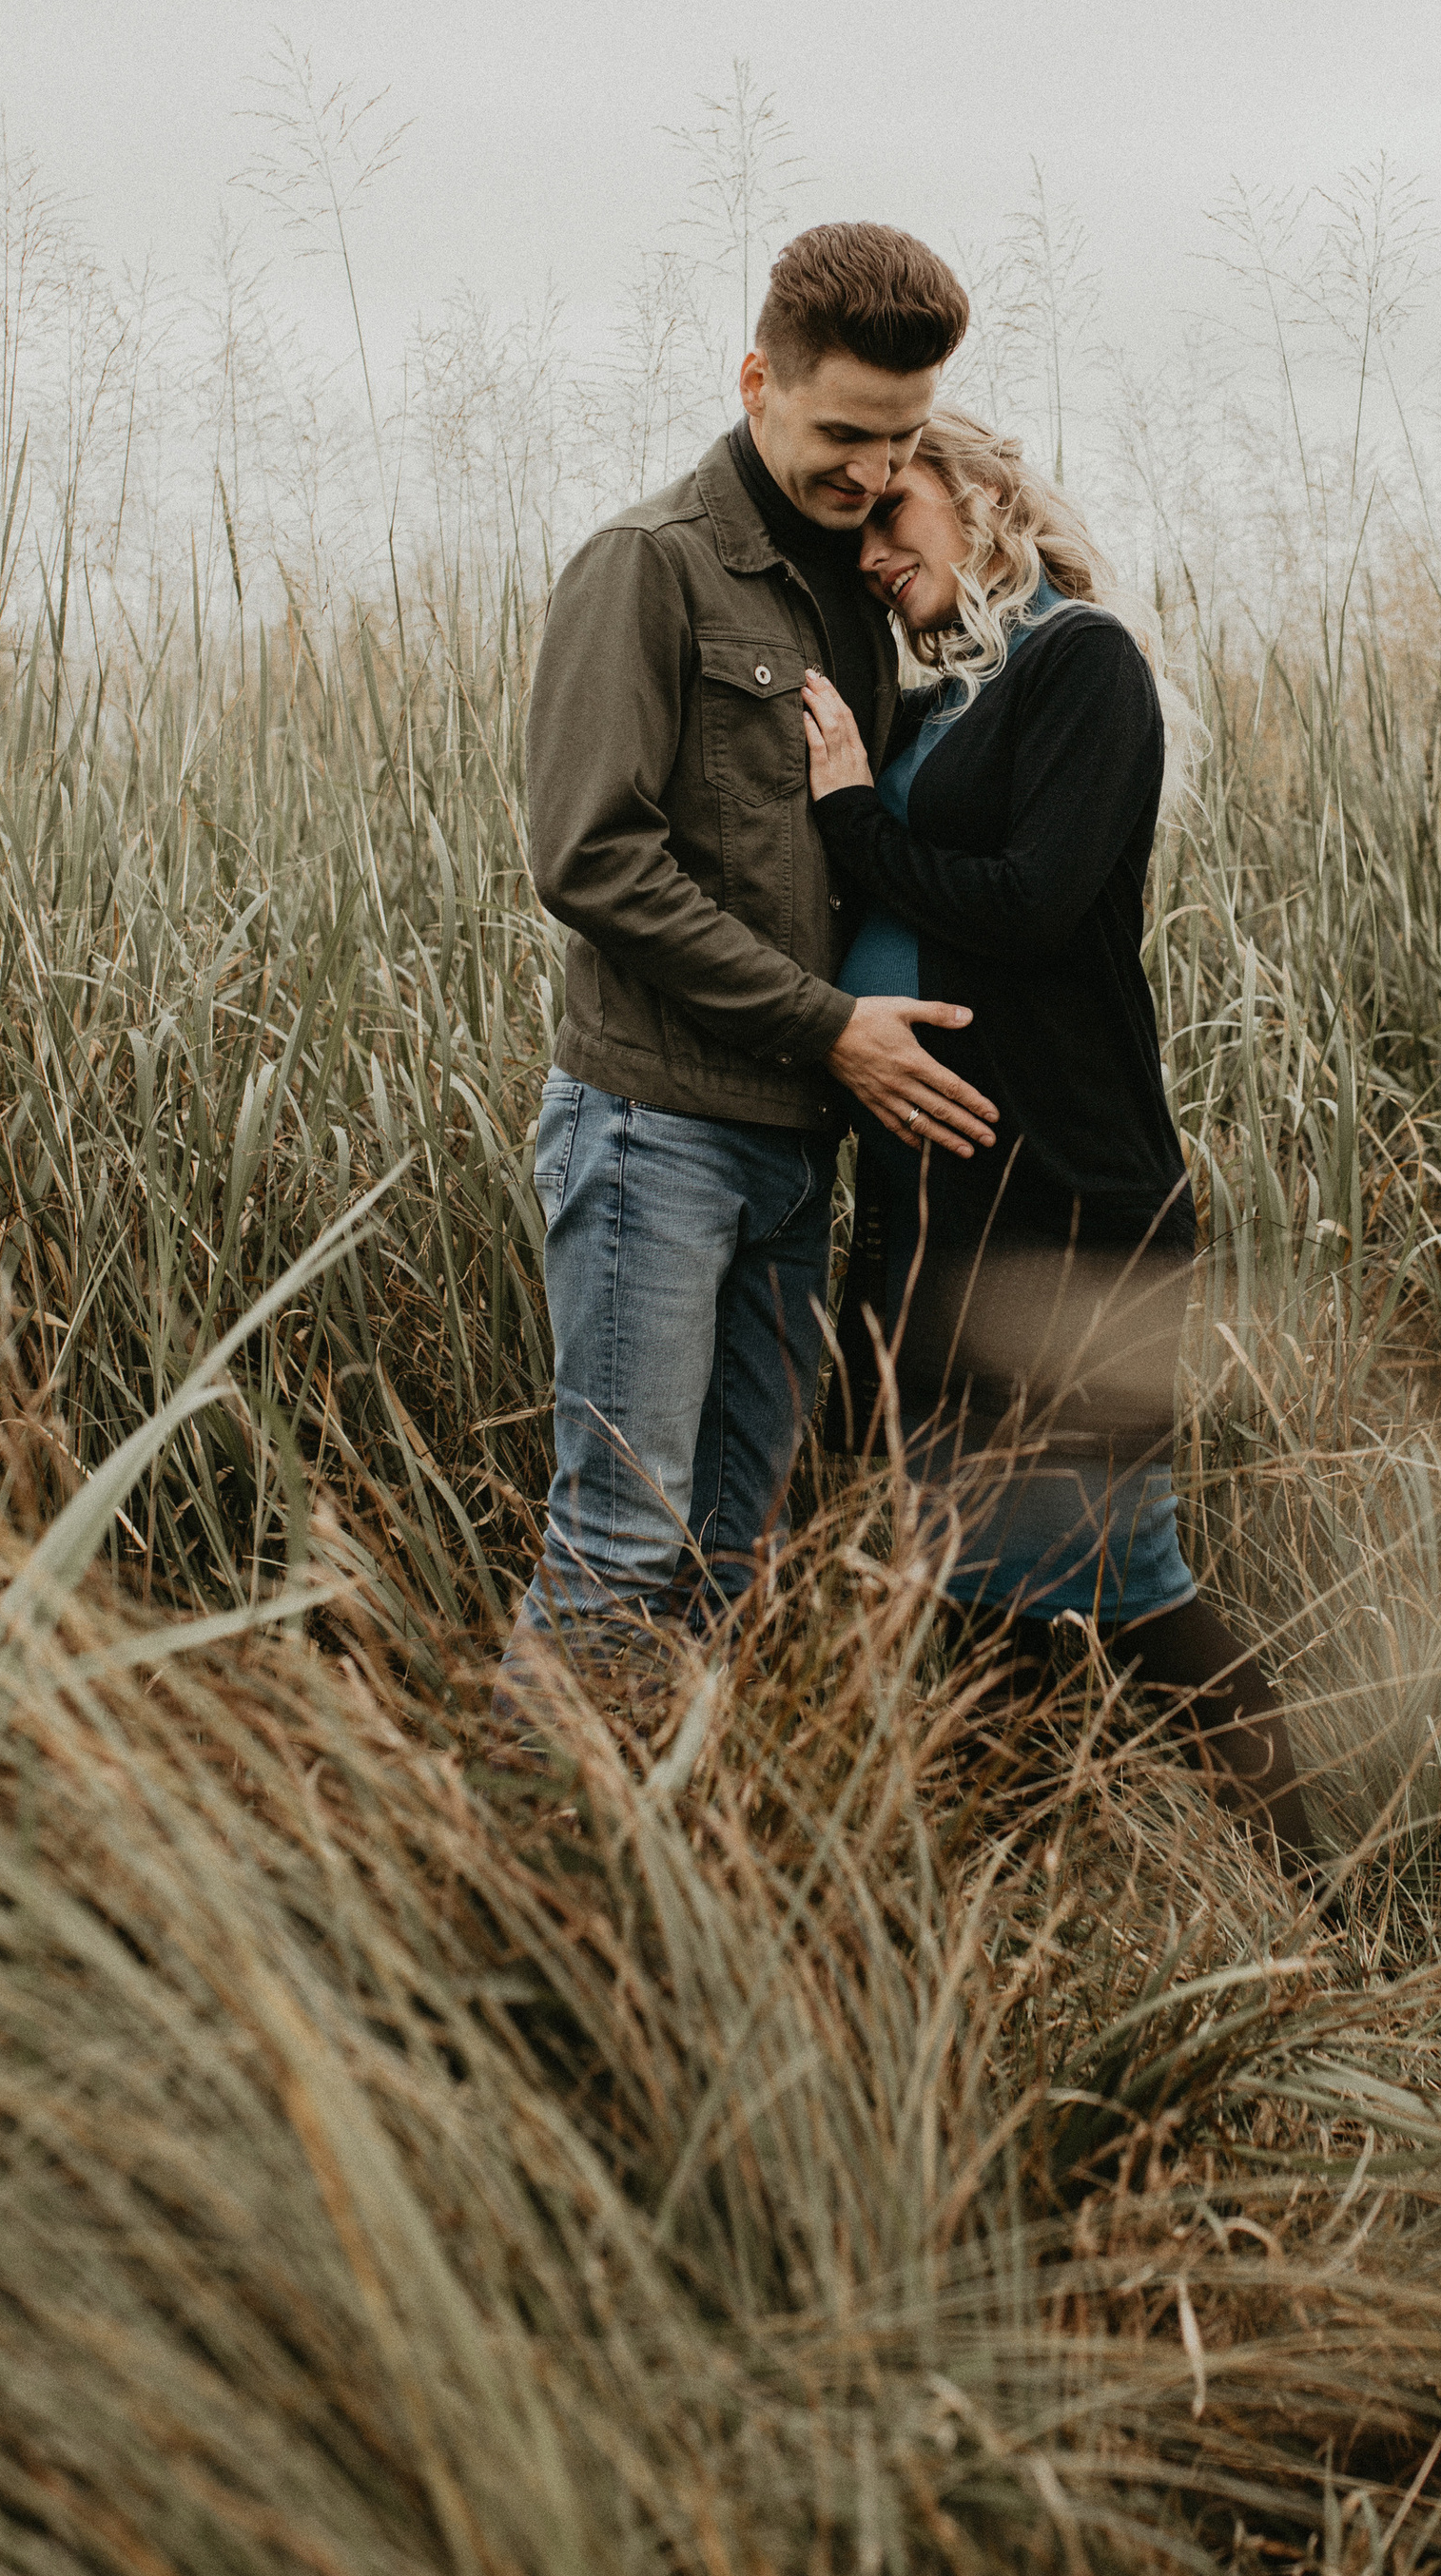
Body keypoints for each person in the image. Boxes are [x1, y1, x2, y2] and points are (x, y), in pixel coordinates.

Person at [801, 410, 1316, 1864]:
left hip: (1067, 1198)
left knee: (1126, 1578)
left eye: (896, 507)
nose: (876, 546)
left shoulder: (1081, 661)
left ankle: (1318, 1895)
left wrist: (848, 815)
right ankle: (1021, 1912)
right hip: (943, 1204)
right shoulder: (948, 701)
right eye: (858, 531)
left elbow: (1030, 902)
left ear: (978, 494)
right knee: (961, 1576)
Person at [507, 223, 1000, 1652]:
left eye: (901, 443)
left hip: (798, 1150)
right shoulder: (646, 567)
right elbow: (589, 858)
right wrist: (830, 1025)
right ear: (755, 384)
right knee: (619, 1545)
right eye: (844, 432)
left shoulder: (860, 592)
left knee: (737, 1554)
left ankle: (681, 1856)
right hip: (654, 1133)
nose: (871, 473)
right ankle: (527, 1871)